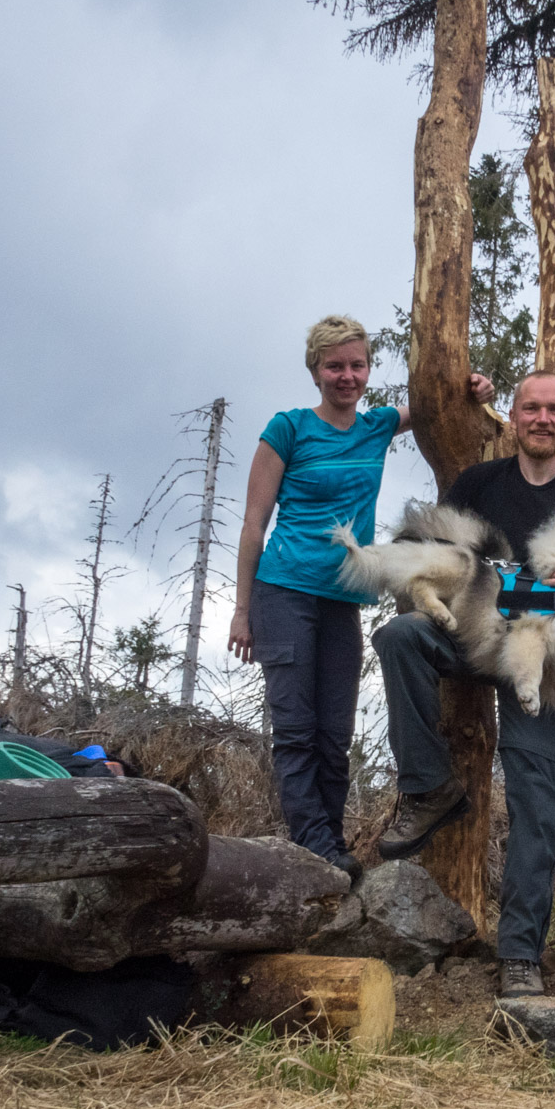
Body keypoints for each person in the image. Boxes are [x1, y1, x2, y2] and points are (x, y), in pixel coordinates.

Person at [371, 371, 555, 999]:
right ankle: (429, 787)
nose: (541, 418)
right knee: (400, 637)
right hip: (470, 633)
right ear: (513, 415)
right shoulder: (479, 484)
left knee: (537, 802)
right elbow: (425, 541)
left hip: (547, 657)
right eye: (530, 407)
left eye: (553, 409)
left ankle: (519, 955)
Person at [227, 314, 492, 884]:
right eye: (334, 366)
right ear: (315, 371)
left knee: (334, 734)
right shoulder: (288, 428)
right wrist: (242, 609)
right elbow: (254, 523)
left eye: (356, 365)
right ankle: (318, 846)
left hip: (342, 599)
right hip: (283, 591)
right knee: (296, 730)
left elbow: (436, 401)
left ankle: (328, 841)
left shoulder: (375, 427)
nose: (346, 376)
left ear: (369, 369)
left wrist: (476, 386)